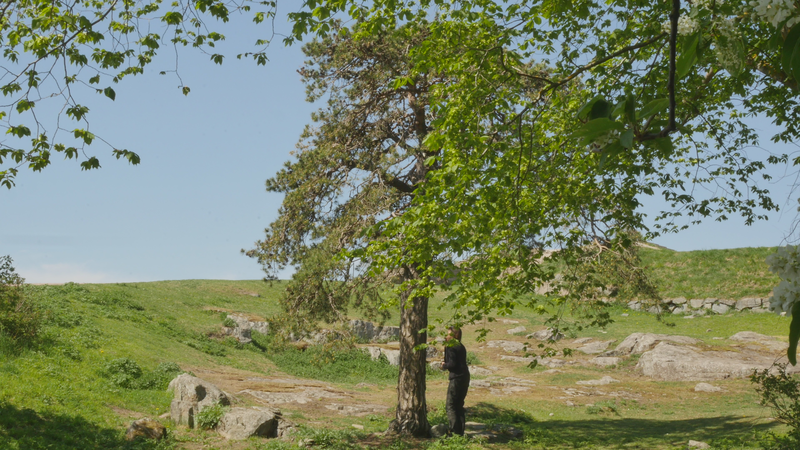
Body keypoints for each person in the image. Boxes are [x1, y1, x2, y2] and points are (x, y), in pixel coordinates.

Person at [441, 326, 469, 436]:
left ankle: (454, 432)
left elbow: (452, 364)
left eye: (449, 334)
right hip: (465, 377)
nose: (446, 336)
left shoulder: (451, 346)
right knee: (459, 405)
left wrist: (444, 365)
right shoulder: (461, 346)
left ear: (455, 335)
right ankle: (460, 432)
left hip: (456, 378)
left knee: (450, 405)